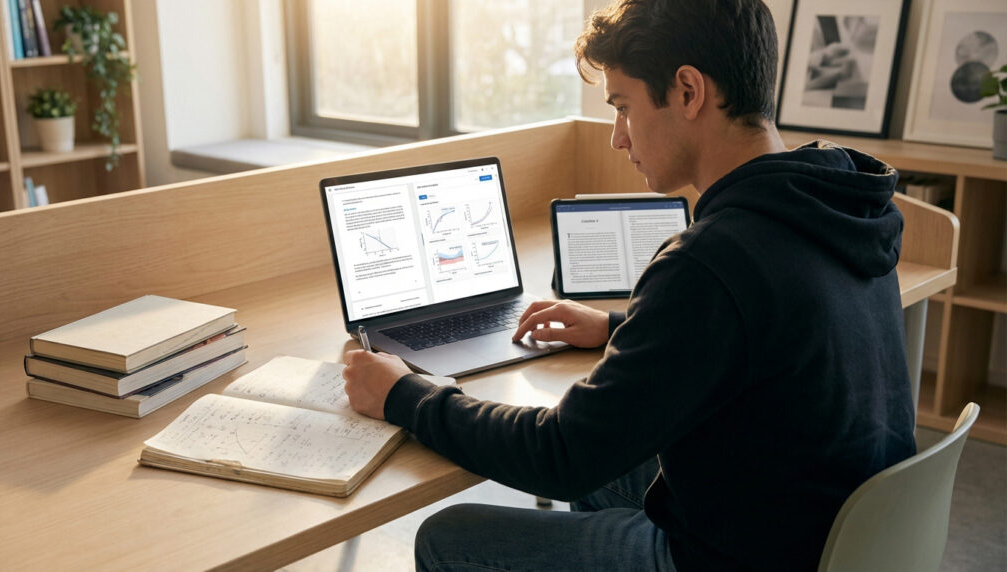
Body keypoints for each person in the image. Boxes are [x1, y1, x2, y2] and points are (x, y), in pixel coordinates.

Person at [341, 0, 916, 569]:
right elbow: (773, 334)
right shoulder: (839, 204)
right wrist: (621, 328)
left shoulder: (712, 260)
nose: (618, 137)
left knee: (450, 535)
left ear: (688, 91)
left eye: (622, 106)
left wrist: (403, 394)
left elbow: (561, 455)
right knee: (614, 467)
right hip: (824, 532)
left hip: (736, 555)